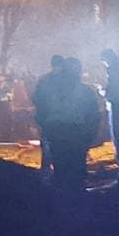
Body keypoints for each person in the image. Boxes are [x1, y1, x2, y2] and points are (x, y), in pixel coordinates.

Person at [44, 58, 102, 192]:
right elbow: (94, 115)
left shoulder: (53, 90)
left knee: (66, 167)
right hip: (69, 132)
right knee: (71, 167)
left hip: (67, 132)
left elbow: (44, 111)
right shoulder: (84, 91)